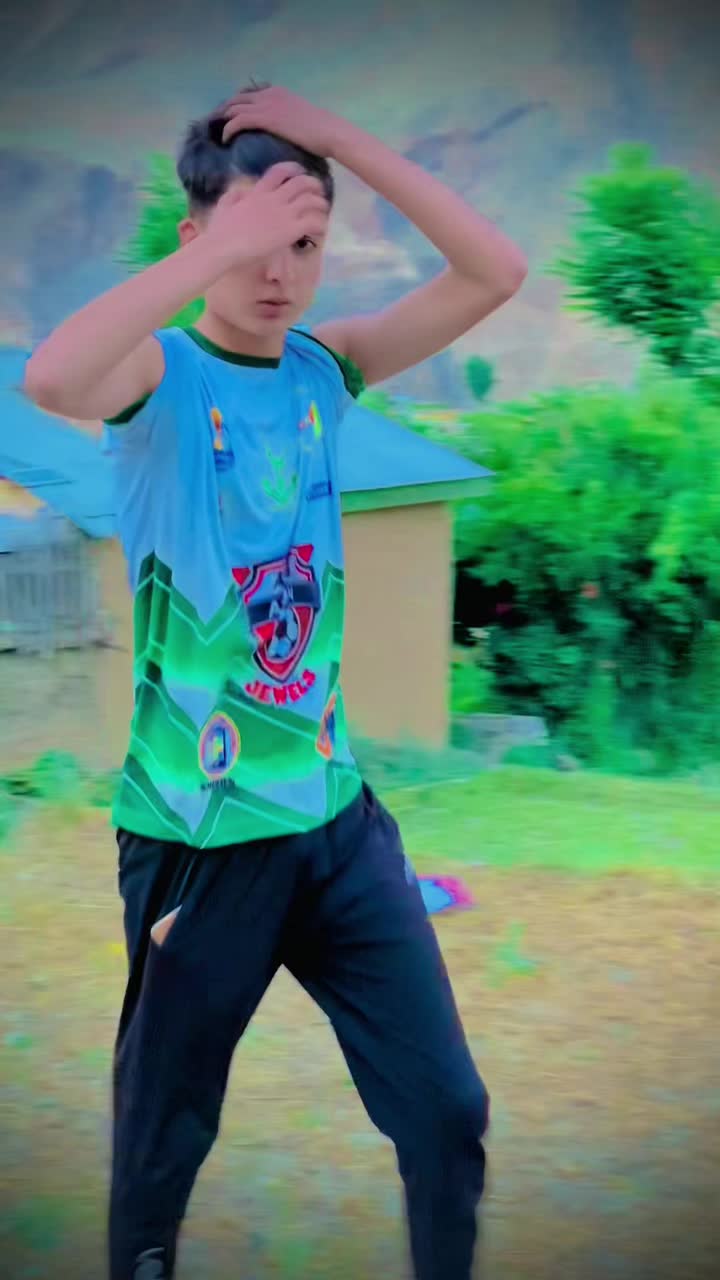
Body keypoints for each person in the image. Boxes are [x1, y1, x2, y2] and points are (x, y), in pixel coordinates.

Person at [24, 83, 527, 1280]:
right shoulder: (157, 377)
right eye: (254, 241)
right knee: (160, 1153)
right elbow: (53, 378)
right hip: (197, 843)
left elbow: (495, 270)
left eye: (304, 244)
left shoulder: (324, 369)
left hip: (336, 826)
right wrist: (223, 244)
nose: (279, 273)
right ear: (198, 237)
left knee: (447, 1111)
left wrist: (340, 141)